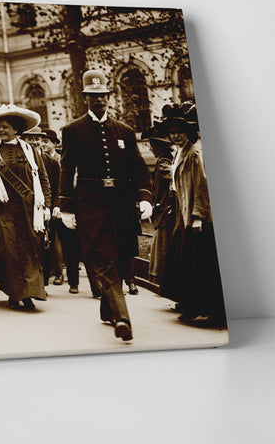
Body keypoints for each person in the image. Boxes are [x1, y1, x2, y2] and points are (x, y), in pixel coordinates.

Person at [59, 70, 153, 341]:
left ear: (109, 97)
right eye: (93, 97)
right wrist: (65, 207)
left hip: (121, 206)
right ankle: (123, 319)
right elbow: (66, 170)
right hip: (91, 206)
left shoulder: (124, 131)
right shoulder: (73, 131)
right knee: (104, 261)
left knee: (121, 259)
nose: (99, 101)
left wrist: (144, 196)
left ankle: (106, 310)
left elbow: (138, 168)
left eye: (103, 96)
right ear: (85, 98)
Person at [0, 105, 51, 311]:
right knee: (9, 252)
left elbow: (43, 179)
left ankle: (31, 292)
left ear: (16, 129)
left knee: (30, 250)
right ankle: (16, 293)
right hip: (2, 211)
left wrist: (47, 206)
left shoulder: (31, 151)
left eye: (5, 127)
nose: (1, 131)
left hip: (28, 211)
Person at [159, 103, 226, 327]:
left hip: (198, 218)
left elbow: (201, 185)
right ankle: (190, 306)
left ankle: (213, 311)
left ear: (188, 132)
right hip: (184, 212)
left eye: (180, 132)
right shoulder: (181, 152)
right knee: (187, 262)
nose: (176, 136)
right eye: (173, 133)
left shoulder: (195, 152)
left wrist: (198, 215)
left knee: (203, 265)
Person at [22, 125, 64, 286]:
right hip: (27, 209)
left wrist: (54, 206)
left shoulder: (52, 163)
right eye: (30, 139)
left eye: (37, 139)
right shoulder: (21, 160)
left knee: (47, 246)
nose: (33, 142)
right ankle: (32, 281)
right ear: (24, 140)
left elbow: (56, 188)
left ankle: (44, 281)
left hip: (46, 210)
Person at [142, 122, 176, 286]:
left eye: (151, 146)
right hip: (162, 214)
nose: (150, 149)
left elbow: (172, 175)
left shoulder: (164, 162)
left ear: (158, 146)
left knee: (165, 253)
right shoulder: (166, 160)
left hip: (166, 216)